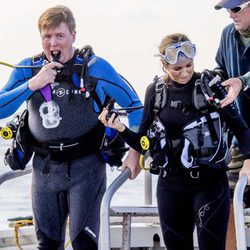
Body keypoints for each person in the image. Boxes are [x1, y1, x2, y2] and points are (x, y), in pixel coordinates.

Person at [0, 5, 143, 250]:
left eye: (60, 36)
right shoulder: (29, 69)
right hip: (45, 171)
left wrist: (135, 154)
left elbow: (135, 106)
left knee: (83, 243)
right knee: (47, 244)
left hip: (86, 168)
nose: (53, 43)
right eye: (47, 36)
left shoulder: (95, 67)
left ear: (73, 36)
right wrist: (33, 85)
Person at [98, 33, 250, 250]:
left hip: (209, 183)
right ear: (164, 65)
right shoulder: (155, 92)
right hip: (170, 185)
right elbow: (144, 142)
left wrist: (248, 160)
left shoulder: (209, 87)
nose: (184, 72)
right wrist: (120, 129)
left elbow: (241, 129)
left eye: (188, 65)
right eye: (177, 69)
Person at [214, 1, 250, 248]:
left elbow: (239, 80)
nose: (230, 15)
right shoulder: (227, 34)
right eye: (227, 10)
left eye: (236, 9)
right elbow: (221, 67)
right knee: (223, 201)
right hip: (240, 136)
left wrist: (242, 81)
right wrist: (213, 79)